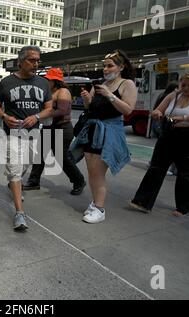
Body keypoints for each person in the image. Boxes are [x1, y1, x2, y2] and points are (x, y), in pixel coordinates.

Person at [130, 71, 189, 217]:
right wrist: (157, 113)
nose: (186, 89)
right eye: (183, 85)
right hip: (170, 134)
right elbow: (159, 109)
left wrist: (185, 117)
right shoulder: (173, 95)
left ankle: (184, 207)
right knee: (156, 167)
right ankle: (142, 201)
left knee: (186, 173)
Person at [69, 50, 137, 224]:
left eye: (110, 65)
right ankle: (95, 204)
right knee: (92, 171)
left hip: (109, 132)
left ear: (121, 67)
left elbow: (128, 110)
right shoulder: (100, 84)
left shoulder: (126, 84)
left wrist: (110, 95)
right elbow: (91, 108)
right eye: (104, 66)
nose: (105, 69)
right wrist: (86, 99)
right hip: (92, 131)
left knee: (98, 173)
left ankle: (99, 208)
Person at [0, 45, 53, 230]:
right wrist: (4, 117)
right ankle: (20, 213)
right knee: (16, 169)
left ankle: (12, 183)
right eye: (32, 60)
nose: (36, 64)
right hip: (13, 134)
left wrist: (36, 116)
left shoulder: (43, 83)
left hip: (33, 133)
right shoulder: (6, 82)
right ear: (21, 61)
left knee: (24, 166)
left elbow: (49, 108)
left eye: (38, 60)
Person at [23, 68, 86, 195]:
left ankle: (79, 181)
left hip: (62, 129)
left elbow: (63, 111)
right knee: (40, 155)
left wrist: (41, 115)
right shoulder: (47, 92)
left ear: (56, 81)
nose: (46, 81)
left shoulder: (63, 91)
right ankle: (34, 181)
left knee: (62, 158)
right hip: (48, 128)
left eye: (49, 79)